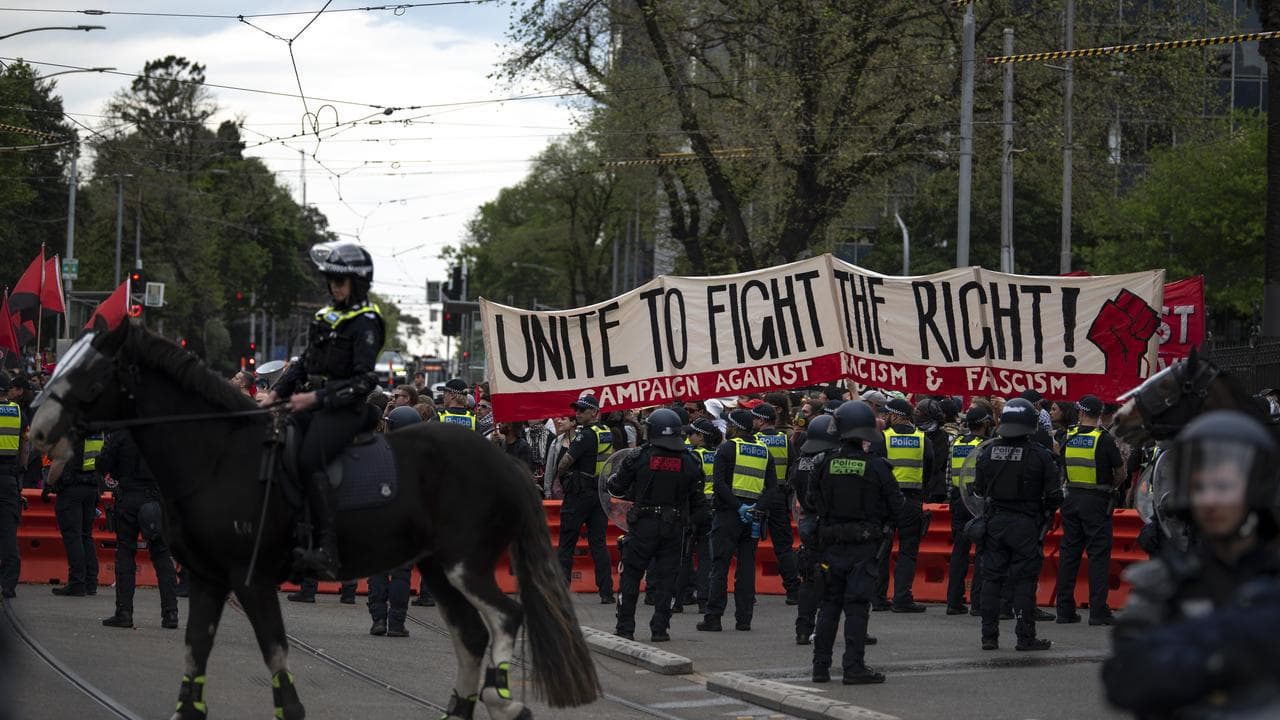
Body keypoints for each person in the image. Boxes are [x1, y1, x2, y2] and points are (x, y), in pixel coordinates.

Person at [1103, 410, 1280, 717]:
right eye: (1200, 488)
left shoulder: (1272, 576)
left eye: (1224, 487)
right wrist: (1231, 646)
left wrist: (1183, 643)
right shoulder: (1162, 582)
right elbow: (1125, 680)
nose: (1210, 500)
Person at [259, 240, 385, 581]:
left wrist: (316, 399)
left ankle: (328, 549)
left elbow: (364, 381)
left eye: (340, 281)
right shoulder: (324, 317)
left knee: (310, 457)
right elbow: (303, 365)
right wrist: (274, 394)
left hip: (345, 410)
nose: (334, 287)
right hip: (311, 404)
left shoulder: (366, 322)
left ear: (357, 284)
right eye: (330, 280)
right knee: (272, 441)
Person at [808, 401, 906, 684]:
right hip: (864, 548)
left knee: (828, 606)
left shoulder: (824, 463)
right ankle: (853, 667)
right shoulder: (876, 466)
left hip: (830, 545)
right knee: (857, 606)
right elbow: (897, 507)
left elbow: (811, 501)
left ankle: (820, 667)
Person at [608, 409, 708, 642]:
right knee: (667, 579)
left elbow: (617, 489)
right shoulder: (691, 461)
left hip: (643, 525)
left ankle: (625, 628)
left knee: (631, 575)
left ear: (651, 430)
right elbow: (699, 504)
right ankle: (660, 629)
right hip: (674, 528)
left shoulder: (638, 457)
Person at [972, 398, 1062, 651]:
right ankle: (1025, 636)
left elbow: (978, 490)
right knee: (1024, 581)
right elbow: (1055, 495)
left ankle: (988, 637)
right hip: (1026, 525)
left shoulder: (987, 452)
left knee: (991, 579)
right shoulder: (1040, 456)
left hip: (995, 523)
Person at [698, 409, 776, 632]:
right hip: (753, 517)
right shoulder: (764, 451)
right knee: (746, 567)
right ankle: (744, 619)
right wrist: (755, 509)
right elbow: (772, 489)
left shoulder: (727, 448)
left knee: (719, 565)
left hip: (728, 514)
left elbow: (720, 484)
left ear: (734, 427)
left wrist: (738, 506)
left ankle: (713, 617)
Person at [1054, 394, 1125, 625]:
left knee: (1069, 554)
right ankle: (1097, 611)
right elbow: (1121, 473)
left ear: (1081, 412)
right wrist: (1110, 487)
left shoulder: (1068, 436)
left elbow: (1061, 463)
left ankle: (1064, 609)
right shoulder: (1104, 439)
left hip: (1071, 499)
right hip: (1097, 501)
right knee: (1098, 556)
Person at [97, 430, 179, 629]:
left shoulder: (122, 433)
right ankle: (171, 614)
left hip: (129, 497)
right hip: (155, 498)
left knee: (125, 553)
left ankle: (124, 612)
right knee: (161, 554)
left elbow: (102, 464)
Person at [554, 395, 615, 603]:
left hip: (580, 495)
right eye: (577, 409)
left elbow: (564, 463)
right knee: (598, 543)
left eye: (582, 410)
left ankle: (562, 592)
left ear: (595, 412)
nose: (577, 413)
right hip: (599, 494)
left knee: (567, 543)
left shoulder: (585, 436)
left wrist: (563, 477)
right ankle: (606, 592)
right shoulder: (606, 432)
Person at [874, 397, 932, 613]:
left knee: (882, 549)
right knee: (908, 551)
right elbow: (930, 467)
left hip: (886, 501)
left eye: (887, 414)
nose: (885, 417)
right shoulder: (922, 439)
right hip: (912, 500)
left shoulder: (883, 438)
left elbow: (876, 469)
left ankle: (878, 598)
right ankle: (901, 598)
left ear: (896, 415)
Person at [368, 405, 421, 638]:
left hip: (380, 518)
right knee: (401, 573)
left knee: (377, 570)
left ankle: (378, 619)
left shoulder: (378, 450)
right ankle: (397, 623)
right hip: (407, 521)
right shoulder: (421, 454)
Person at [792, 413, 840, 645]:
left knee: (809, 579)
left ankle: (803, 628)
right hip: (829, 523)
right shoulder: (831, 462)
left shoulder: (801, 462)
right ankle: (824, 629)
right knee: (834, 578)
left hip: (807, 523)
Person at [752, 402, 801, 604]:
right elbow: (793, 465)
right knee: (783, 545)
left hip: (758, 496)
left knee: (749, 544)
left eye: (755, 418)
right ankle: (793, 590)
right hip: (779, 496)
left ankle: (747, 592)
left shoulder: (754, 441)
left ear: (761, 421)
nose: (753, 421)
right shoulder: (784, 440)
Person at [946, 406, 992, 615]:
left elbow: (949, 475)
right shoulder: (985, 446)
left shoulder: (956, 443)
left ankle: (954, 602)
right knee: (982, 551)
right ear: (984, 423)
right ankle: (978, 602)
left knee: (959, 551)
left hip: (958, 499)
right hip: (978, 502)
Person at [48, 431, 103, 596]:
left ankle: (77, 582)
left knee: (73, 536)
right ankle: (90, 582)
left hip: (71, 488)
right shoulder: (97, 429)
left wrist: (49, 483)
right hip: (91, 487)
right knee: (86, 535)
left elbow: (60, 461)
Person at [672, 418, 719, 614]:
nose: (688, 436)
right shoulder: (717, 455)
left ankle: (680, 599)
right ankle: (704, 600)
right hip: (712, 509)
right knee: (707, 557)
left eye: (691, 433)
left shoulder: (693, 457)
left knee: (684, 556)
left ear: (700, 436)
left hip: (693, 510)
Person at [0, 374, 28, 598]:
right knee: (8, 532)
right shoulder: (18, 413)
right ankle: (8, 584)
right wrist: (21, 472)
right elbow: (26, 446)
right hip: (9, 479)